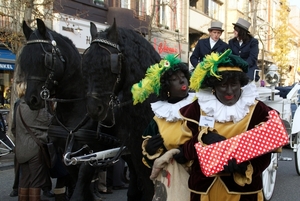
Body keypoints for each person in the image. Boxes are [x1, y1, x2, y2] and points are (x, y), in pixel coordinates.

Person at [178, 49, 274, 201]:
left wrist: (247, 167)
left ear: (241, 84)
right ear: (213, 86)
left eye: (234, 84)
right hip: (204, 190)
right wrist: (203, 139)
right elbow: (183, 151)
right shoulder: (198, 108)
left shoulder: (257, 110)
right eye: (222, 85)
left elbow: (267, 151)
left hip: (243, 192)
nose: (229, 91)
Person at [131, 54, 194, 200]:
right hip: (174, 177)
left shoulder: (200, 105)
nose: (181, 80)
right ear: (166, 87)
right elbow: (147, 154)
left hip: (200, 172)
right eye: (174, 79)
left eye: (182, 76)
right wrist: (150, 149)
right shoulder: (160, 116)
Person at [12, 82, 53, 201]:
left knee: (24, 180)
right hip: (34, 147)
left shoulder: (19, 106)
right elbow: (48, 121)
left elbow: (14, 127)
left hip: (21, 149)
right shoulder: (35, 106)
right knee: (36, 180)